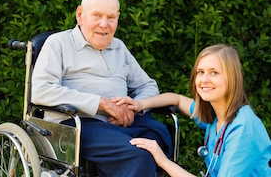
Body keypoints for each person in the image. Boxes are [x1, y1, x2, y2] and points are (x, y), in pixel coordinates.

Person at [31, 0, 172, 176]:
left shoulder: (119, 47)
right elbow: (41, 90)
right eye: (97, 15)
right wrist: (101, 104)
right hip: (78, 124)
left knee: (156, 140)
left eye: (111, 17)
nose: (104, 24)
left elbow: (148, 85)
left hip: (122, 124)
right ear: (80, 15)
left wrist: (133, 107)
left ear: (118, 19)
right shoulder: (58, 43)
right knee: (139, 154)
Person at [112, 44, 271, 177]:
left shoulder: (243, 130)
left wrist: (163, 161)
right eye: (200, 72)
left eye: (214, 72)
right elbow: (177, 99)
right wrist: (139, 104)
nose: (204, 80)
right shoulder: (215, 115)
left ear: (232, 78)